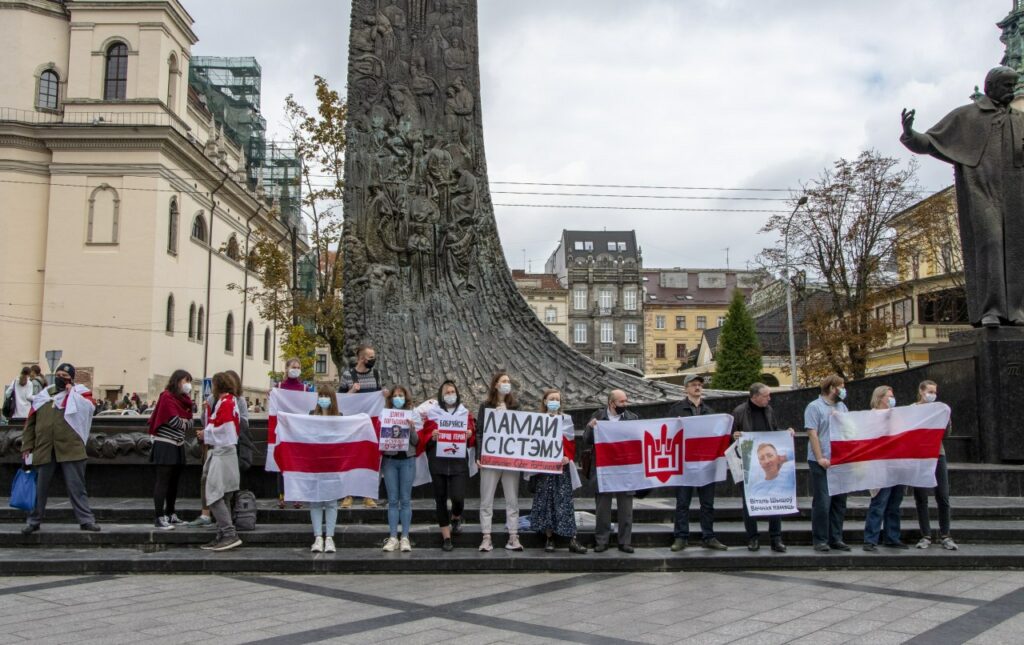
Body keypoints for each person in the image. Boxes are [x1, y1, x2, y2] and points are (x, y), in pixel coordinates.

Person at [901, 66, 1024, 327]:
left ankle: (1016, 311)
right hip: (982, 192)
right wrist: (910, 133)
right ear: (989, 86)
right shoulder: (967, 116)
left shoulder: (1019, 119)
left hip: (1015, 195)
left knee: (1016, 249)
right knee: (990, 243)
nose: (1011, 91)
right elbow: (931, 142)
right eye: (1006, 86)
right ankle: (990, 310)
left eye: (1014, 86)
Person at [21, 363, 101, 534]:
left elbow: (89, 409)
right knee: (39, 489)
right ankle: (34, 521)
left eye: (64, 375)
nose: (60, 378)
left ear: (71, 378)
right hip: (45, 448)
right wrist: (27, 445)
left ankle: (86, 520)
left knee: (77, 488)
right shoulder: (43, 396)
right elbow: (31, 422)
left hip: (71, 449)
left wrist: (71, 391)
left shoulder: (79, 394)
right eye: (58, 374)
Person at [731, 382, 792, 552]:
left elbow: (773, 430)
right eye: (766, 396)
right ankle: (753, 538)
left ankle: (776, 538)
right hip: (749, 463)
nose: (769, 398)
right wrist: (733, 436)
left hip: (767, 463)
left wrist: (785, 432)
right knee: (749, 502)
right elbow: (730, 436)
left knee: (774, 498)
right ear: (755, 396)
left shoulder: (769, 410)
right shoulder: (740, 412)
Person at [670, 375, 728, 552]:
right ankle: (681, 537)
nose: (697, 387)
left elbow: (717, 433)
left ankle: (708, 536)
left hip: (705, 463)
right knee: (682, 502)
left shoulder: (709, 411)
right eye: (693, 385)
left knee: (707, 503)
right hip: (685, 463)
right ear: (685, 389)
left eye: (699, 385)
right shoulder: (676, 409)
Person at [419, 380, 475, 551]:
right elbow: (425, 437)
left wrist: (469, 434)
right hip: (438, 463)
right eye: (447, 392)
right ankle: (446, 537)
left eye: (453, 391)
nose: (450, 395)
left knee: (458, 498)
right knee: (440, 499)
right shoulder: (432, 414)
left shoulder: (466, 414)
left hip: (458, 463)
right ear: (441, 396)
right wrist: (432, 436)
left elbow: (473, 438)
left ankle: (456, 516)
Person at [531, 389, 587, 554]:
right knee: (546, 501)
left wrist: (567, 456)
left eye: (557, 399)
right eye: (552, 398)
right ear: (545, 401)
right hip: (545, 468)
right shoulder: (537, 420)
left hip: (562, 467)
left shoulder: (566, 420)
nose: (555, 401)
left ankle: (572, 539)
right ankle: (549, 538)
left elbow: (570, 442)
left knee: (564, 501)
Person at [583, 389, 637, 553]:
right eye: (621, 402)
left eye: (626, 401)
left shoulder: (632, 418)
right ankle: (602, 540)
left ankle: (625, 541)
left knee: (626, 508)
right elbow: (587, 440)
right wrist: (590, 428)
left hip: (625, 468)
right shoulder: (598, 416)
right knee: (602, 508)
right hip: (603, 468)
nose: (624, 404)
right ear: (611, 403)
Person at [475, 371, 522, 552]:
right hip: (491, 458)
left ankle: (513, 536)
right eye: (503, 381)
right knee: (486, 500)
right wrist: (479, 455)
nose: (506, 383)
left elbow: (521, 431)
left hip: (509, 459)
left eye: (508, 381)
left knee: (512, 500)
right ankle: (486, 537)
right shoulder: (485, 406)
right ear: (495, 384)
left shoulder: (516, 406)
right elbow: (480, 432)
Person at [195, 372, 242, 551]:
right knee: (224, 495)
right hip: (225, 453)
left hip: (222, 453)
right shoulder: (228, 402)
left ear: (217, 386)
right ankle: (223, 534)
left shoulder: (227, 403)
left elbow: (225, 430)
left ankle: (228, 533)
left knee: (214, 494)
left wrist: (205, 434)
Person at [806, 374, 851, 553]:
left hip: (839, 460)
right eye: (841, 386)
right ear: (832, 388)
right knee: (823, 502)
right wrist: (819, 457)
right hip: (821, 461)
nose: (844, 390)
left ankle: (836, 537)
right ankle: (820, 539)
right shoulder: (814, 407)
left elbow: (849, 429)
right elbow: (813, 433)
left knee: (839, 502)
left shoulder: (842, 406)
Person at [912, 380, 958, 550]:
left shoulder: (940, 408)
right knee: (921, 498)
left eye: (935, 392)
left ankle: (945, 535)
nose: (933, 394)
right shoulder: (912, 409)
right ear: (921, 391)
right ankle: (926, 535)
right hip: (918, 457)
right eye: (930, 391)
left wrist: (945, 419)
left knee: (943, 496)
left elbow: (947, 433)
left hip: (937, 454)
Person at [338, 344, 383, 509]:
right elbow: (340, 400)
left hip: (370, 425)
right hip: (352, 426)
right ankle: (347, 495)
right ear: (361, 358)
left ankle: (368, 495)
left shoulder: (376, 374)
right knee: (349, 458)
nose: (373, 360)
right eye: (370, 357)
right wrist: (351, 391)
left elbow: (378, 399)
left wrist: (383, 394)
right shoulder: (348, 375)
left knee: (370, 458)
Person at [863, 386, 908, 551]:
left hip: (897, 464)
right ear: (880, 397)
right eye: (889, 396)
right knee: (879, 502)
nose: (892, 399)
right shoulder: (871, 416)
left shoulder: (896, 415)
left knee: (894, 503)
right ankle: (870, 539)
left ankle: (892, 537)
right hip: (880, 465)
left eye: (892, 395)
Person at [147, 370, 194, 530]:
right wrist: (184, 422)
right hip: (165, 444)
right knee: (163, 481)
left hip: (178, 444)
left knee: (174, 482)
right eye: (185, 380)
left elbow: (190, 422)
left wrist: (184, 422)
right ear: (177, 381)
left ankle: (171, 513)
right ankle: (159, 517)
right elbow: (174, 421)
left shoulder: (185, 401)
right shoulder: (167, 397)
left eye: (189, 381)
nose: (187, 384)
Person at [381, 385, 419, 552]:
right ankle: (392, 537)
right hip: (390, 460)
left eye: (401, 395)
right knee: (392, 500)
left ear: (405, 397)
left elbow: (417, 442)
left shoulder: (412, 414)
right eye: (395, 395)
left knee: (405, 499)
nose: (398, 398)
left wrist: (411, 428)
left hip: (407, 461)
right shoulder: (385, 414)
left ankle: (404, 537)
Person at [307, 386, 341, 553]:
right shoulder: (311, 415)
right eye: (321, 396)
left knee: (331, 502)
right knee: (315, 501)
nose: (323, 399)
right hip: (315, 463)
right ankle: (318, 537)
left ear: (332, 398)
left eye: (326, 396)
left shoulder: (340, 418)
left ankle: (330, 537)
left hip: (332, 463)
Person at [275, 357, 306, 510]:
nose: (296, 368)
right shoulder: (279, 387)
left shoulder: (305, 388)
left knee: (298, 464)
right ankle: (282, 495)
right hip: (283, 431)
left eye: (298, 366)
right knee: (283, 464)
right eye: (293, 366)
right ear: (286, 369)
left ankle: (297, 496)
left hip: (298, 432)